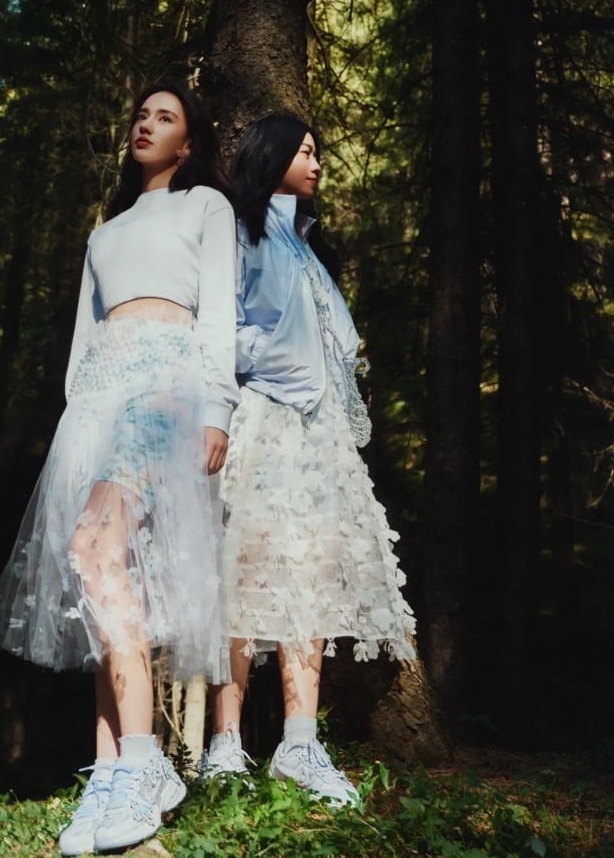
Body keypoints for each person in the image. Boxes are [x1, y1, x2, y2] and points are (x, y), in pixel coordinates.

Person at [0, 82, 238, 855]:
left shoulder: (206, 207)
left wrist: (217, 409)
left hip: (166, 385)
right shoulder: (106, 233)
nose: (146, 124)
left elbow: (219, 314)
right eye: (141, 114)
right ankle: (109, 767)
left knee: (96, 550)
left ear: (188, 142)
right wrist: (77, 422)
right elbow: (82, 343)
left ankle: (144, 761)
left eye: (166, 117)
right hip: (97, 398)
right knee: (102, 572)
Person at [201, 113, 416, 807]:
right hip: (263, 422)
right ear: (272, 156)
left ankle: (300, 743)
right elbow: (220, 327)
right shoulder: (241, 233)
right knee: (242, 577)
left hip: (320, 440)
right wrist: (269, 365)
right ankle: (224, 743)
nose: (317, 163)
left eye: (317, 151)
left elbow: (336, 345)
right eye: (305, 151)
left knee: (313, 583)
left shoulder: (308, 249)